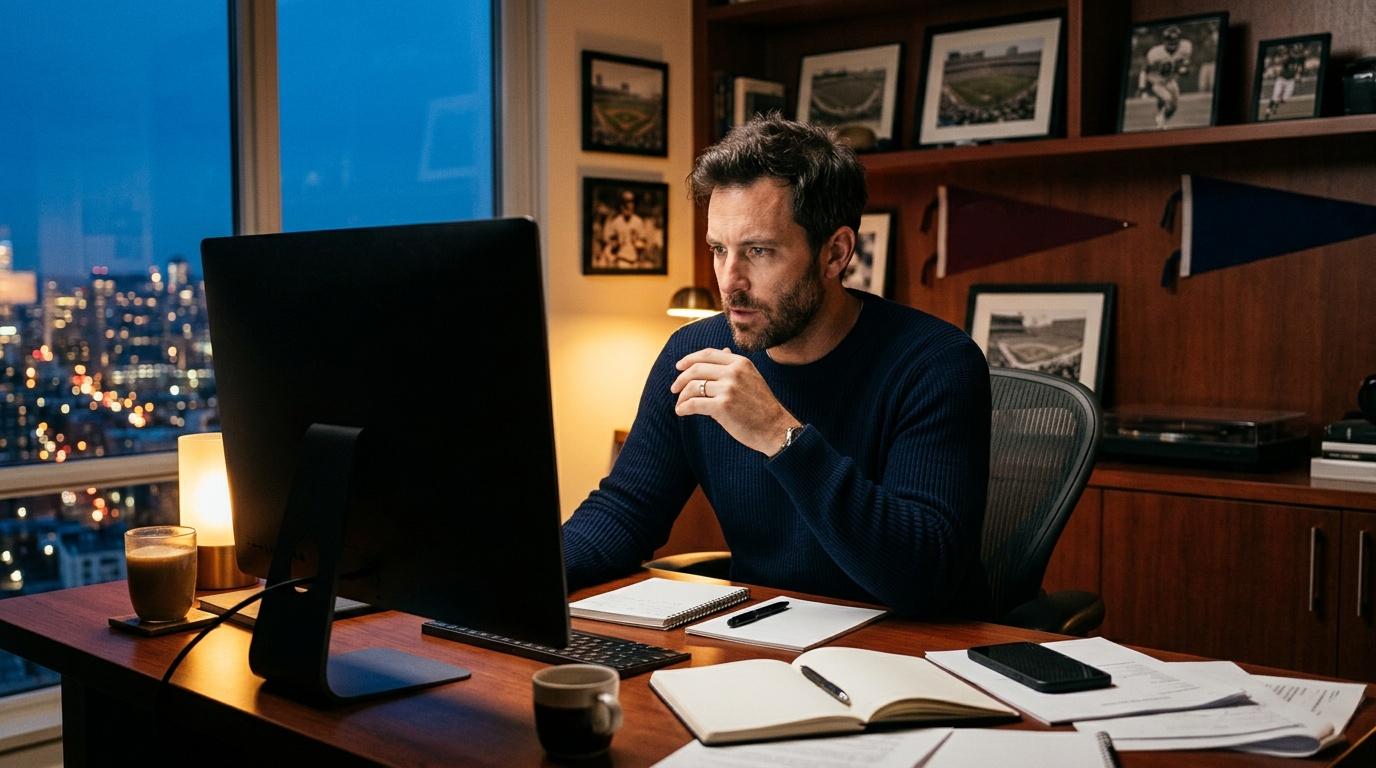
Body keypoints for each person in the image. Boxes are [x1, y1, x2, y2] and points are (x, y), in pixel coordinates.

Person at [560, 115, 992, 618]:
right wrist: (514, 580)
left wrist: (778, 433)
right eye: (720, 250)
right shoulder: (695, 350)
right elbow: (625, 512)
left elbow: (925, 576)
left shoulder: (935, 363)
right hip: (765, 640)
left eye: (759, 251)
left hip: (914, 653)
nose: (729, 281)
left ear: (835, 253)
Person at [1137, 25, 1193, 130]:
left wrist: (1184, 69)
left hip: (1171, 81)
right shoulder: (1155, 53)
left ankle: (1161, 120)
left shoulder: (1185, 47)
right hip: (1156, 82)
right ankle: (1160, 121)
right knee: (1167, 99)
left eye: (1175, 41)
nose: (1172, 45)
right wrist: (1142, 87)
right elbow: (1144, 70)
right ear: (1164, 41)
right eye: (1169, 41)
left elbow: (1186, 65)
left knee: (1174, 107)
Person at [601, 191, 646, 267]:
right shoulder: (616, 222)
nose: (628, 206)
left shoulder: (638, 221)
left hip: (635, 261)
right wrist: (617, 243)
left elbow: (643, 244)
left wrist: (636, 241)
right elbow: (610, 244)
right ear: (621, 205)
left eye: (631, 202)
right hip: (621, 260)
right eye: (625, 203)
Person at [1264, 43, 1308, 120]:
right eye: (1296, 51)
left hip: (1291, 81)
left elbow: (1301, 69)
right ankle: (1268, 111)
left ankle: (1276, 105)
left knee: (1285, 99)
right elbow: (1284, 63)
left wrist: (1300, 75)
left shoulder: (1302, 59)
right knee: (1275, 95)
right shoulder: (1289, 58)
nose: (1297, 53)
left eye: (1298, 51)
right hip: (1282, 79)